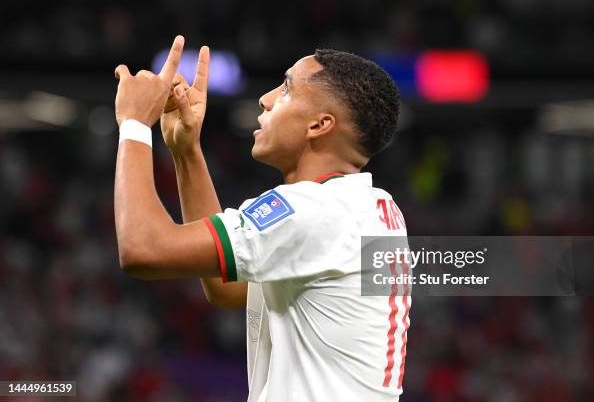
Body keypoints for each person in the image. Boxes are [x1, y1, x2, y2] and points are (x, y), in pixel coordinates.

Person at [114, 35, 411, 402]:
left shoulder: (315, 211)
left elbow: (142, 249)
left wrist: (133, 124)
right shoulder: (365, 206)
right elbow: (228, 288)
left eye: (285, 89)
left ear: (319, 124)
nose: (265, 99)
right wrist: (187, 152)